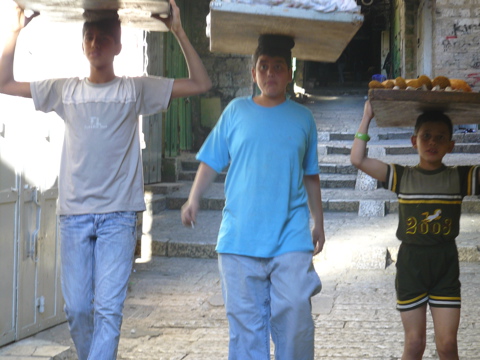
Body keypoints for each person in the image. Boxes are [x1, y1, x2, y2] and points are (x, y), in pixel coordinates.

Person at [0, 1, 211, 359]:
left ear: (118, 45)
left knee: (109, 311)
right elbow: (4, 82)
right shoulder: (65, 90)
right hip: (74, 217)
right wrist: (16, 31)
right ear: (83, 44)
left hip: (119, 218)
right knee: (78, 310)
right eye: (90, 38)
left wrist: (178, 31)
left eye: (103, 38)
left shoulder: (135, 89)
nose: (95, 44)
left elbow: (201, 83)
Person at [181, 34, 325, 360]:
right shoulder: (236, 112)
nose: (270, 73)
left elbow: (311, 175)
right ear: (253, 73)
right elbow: (211, 160)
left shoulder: (304, 119)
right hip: (239, 239)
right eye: (263, 67)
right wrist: (194, 199)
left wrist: (319, 222)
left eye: (278, 67)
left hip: (291, 236)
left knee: (296, 320)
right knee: (246, 334)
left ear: (289, 73)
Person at [350, 101, 480, 360]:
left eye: (441, 138)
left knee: (447, 345)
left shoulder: (460, 177)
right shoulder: (401, 176)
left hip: (445, 265)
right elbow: (358, 159)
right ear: (414, 141)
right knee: (414, 343)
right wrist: (366, 117)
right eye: (426, 136)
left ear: (451, 146)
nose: (433, 143)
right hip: (411, 267)